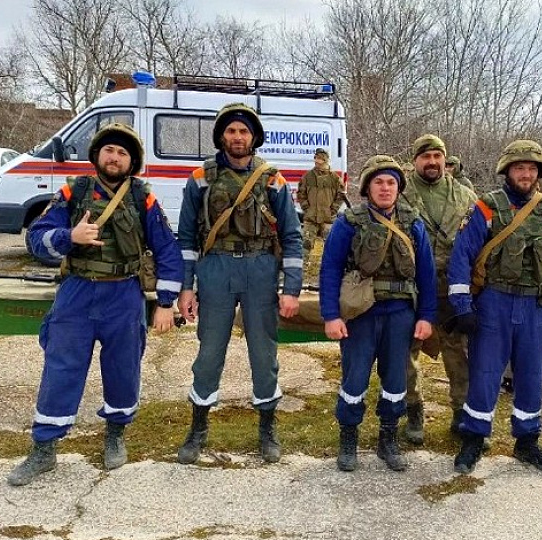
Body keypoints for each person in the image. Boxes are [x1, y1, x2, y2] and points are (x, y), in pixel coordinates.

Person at [8, 123, 183, 486]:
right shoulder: (73, 192)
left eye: (122, 152)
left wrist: (166, 303)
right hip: (77, 293)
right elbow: (37, 239)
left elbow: (168, 250)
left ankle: (115, 435)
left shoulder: (143, 198)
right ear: (97, 155)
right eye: (109, 150)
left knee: (123, 369)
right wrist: (69, 236)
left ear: (131, 161)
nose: (114, 157)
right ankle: (44, 449)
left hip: (124, 295)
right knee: (60, 369)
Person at [447, 139, 542, 474]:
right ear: (507, 171)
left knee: (531, 375)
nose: (525, 174)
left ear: (539, 173)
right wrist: (462, 305)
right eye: (519, 168)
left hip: (534, 306)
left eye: (531, 169)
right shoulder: (486, 208)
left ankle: (527, 441)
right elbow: (461, 257)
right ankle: (474, 439)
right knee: (484, 374)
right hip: (493, 302)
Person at [175, 103, 303, 465]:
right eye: (231, 130)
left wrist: (291, 289)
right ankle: (198, 429)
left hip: (260, 270)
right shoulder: (200, 178)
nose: (237, 137)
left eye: (243, 131)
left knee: (264, 354)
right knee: (209, 353)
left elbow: (292, 237)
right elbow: (186, 238)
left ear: (254, 137)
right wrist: (186, 286)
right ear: (221, 136)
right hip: (215, 269)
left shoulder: (272, 180)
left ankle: (267, 429)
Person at [319, 155, 436, 472]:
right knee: (354, 378)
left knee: (396, 380)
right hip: (360, 315)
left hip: (400, 315)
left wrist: (426, 316)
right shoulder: (349, 222)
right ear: (368, 187)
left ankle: (389, 440)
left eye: (391, 183)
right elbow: (330, 270)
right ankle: (348, 440)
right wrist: (331, 315)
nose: (385, 188)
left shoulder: (413, 223)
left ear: (399, 188)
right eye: (379, 182)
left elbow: (427, 274)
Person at [400, 134, 476, 445]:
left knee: (458, 352)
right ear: (415, 160)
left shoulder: (465, 196)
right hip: (411, 287)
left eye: (437, 156)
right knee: (405, 352)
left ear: (445, 159)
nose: (432, 162)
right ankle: (413, 409)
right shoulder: (401, 194)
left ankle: (461, 411)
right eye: (425, 156)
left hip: (451, 287)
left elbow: (477, 243)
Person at [298, 147, 345, 267]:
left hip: (328, 219)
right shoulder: (307, 177)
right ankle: (301, 270)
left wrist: (332, 210)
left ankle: (330, 269)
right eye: (316, 159)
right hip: (311, 219)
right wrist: (307, 209)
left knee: (331, 247)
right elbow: (301, 194)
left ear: (325, 161)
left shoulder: (335, 179)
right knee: (305, 247)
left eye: (320, 159)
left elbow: (340, 196)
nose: (317, 162)